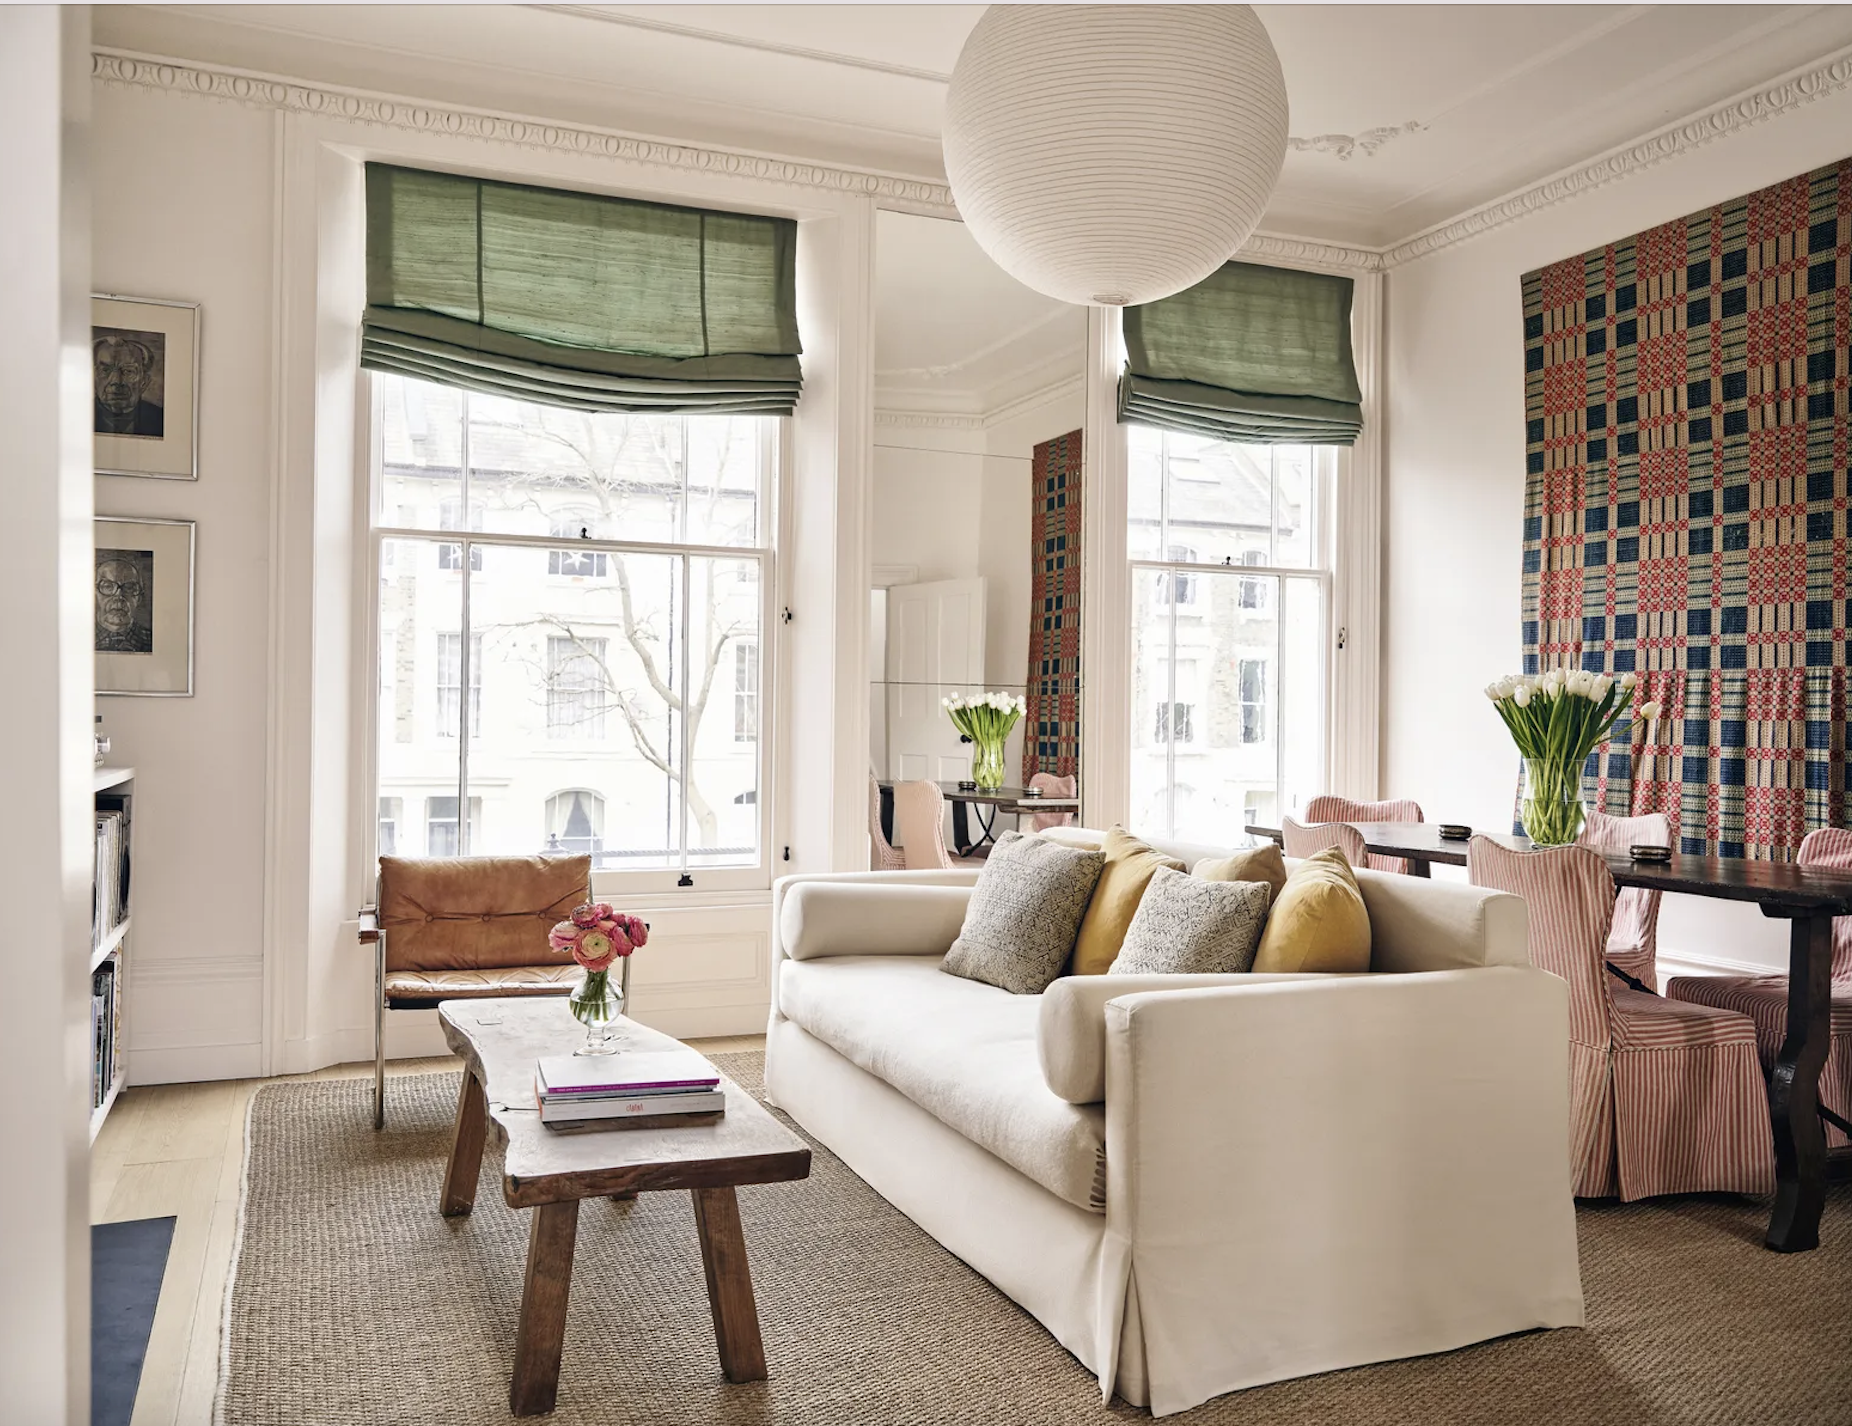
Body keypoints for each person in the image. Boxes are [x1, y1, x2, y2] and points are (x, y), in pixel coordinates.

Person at [93, 334, 165, 437]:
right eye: (105, 370)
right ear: (93, 378)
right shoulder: (76, 416)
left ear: (144, 381)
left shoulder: (160, 419)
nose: (116, 380)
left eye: (128, 371)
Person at [95, 555, 151, 654]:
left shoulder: (151, 640)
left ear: (139, 598)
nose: (119, 595)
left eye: (129, 587)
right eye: (108, 586)